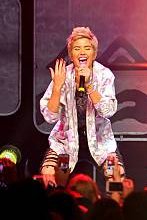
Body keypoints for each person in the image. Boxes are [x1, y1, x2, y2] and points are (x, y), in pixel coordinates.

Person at [40, 27, 124, 188]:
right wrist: (57, 88)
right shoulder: (64, 75)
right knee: (49, 172)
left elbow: (108, 111)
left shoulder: (104, 75)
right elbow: (49, 117)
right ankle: (57, 208)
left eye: (87, 48)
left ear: (94, 53)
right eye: (77, 49)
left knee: (116, 174)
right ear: (71, 55)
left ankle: (113, 211)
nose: (82, 52)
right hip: (65, 140)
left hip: (100, 142)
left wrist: (89, 86)